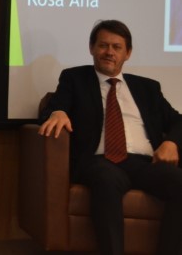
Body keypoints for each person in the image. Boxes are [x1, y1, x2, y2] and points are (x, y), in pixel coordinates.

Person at [39, 19, 182, 255]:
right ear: (92, 48)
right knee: (106, 179)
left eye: (117, 47)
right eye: (103, 45)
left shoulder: (147, 88)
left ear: (128, 53)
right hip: (99, 160)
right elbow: (51, 109)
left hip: (144, 163)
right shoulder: (74, 79)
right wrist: (58, 111)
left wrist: (171, 142)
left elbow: (178, 121)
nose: (109, 52)